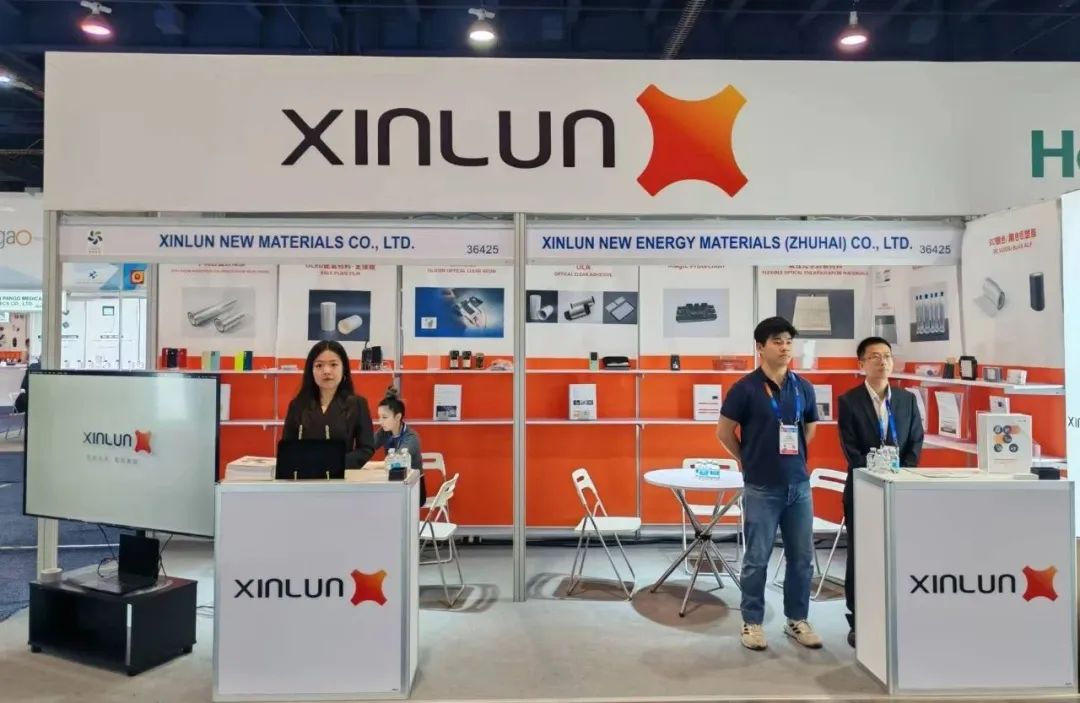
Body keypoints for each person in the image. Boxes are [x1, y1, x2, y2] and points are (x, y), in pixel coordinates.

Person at [717, 316, 822, 651]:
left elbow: (810, 428)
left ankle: (797, 619)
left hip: (799, 486)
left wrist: (794, 459)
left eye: (789, 341)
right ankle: (752, 622)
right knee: (757, 559)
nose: (785, 347)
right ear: (760, 347)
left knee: (801, 559)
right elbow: (723, 432)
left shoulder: (803, 387)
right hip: (761, 487)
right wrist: (746, 459)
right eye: (777, 341)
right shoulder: (745, 388)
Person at [837, 336, 923, 648]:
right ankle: (858, 620)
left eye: (886, 355)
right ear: (861, 364)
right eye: (874, 356)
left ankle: (895, 618)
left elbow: (916, 440)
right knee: (861, 554)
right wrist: (876, 472)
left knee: (897, 553)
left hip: (900, 488)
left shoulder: (906, 400)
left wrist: (901, 472)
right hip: (863, 487)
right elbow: (850, 449)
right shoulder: (849, 401)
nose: (882, 361)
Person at [283, 341, 375, 469]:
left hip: (342, 475)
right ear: (311, 370)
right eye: (319, 365)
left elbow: (366, 448)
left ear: (344, 368)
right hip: (306, 475)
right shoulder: (297, 405)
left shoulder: (357, 404)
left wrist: (336, 463)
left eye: (333, 364)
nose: (326, 371)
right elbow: (287, 447)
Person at [365, 386, 427, 500]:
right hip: (393, 484)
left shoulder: (411, 438)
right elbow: (366, 448)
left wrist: (368, 465)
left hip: (413, 488)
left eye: (384, 417)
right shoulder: (384, 432)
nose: (380, 421)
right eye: (379, 417)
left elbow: (395, 462)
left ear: (398, 417)